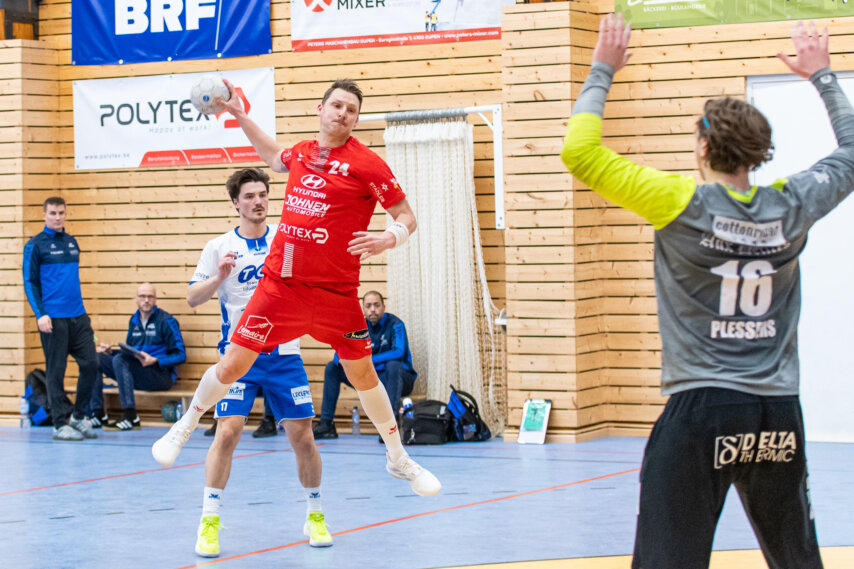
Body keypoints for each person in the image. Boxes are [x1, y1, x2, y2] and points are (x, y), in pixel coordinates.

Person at [561, 16, 854, 569]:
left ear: (702, 146)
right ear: (761, 151)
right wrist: (822, 76)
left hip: (702, 410)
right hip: (777, 412)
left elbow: (579, 152)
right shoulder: (791, 204)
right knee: (797, 560)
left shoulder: (678, 200)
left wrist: (603, 67)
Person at [152, 78, 441, 499]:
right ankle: (185, 426)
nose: (343, 114)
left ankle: (397, 457)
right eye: (337, 106)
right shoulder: (304, 152)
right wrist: (238, 114)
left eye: (352, 110)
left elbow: (406, 214)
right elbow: (271, 156)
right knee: (233, 363)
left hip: (336, 293)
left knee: (363, 376)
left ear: (356, 120)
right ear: (321, 109)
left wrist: (388, 237)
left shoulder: (368, 163)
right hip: (282, 288)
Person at [186, 167, 332, 556]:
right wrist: (218, 278)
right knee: (228, 433)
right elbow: (193, 298)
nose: (258, 201)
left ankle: (315, 513)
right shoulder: (217, 246)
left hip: (284, 355)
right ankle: (209, 521)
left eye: (263, 194)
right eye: (249, 196)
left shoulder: (286, 242)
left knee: (302, 437)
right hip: (238, 356)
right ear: (236, 202)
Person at [23, 196, 98, 441]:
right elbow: (30, 281)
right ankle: (58, 424)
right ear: (44, 215)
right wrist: (40, 314)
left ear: (66, 214)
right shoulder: (35, 245)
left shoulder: (72, 243)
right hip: (53, 320)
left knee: (91, 365)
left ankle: (77, 416)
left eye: (61, 213)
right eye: (53, 213)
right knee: (56, 371)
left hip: (78, 317)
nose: (57, 217)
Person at [313, 290, 417, 439]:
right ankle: (326, 423)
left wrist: (366, 360)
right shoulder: (359, 327)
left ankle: (390, 428)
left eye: (376, 305)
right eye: (368, 306)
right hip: (371, 377)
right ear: (363, 309)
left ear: (383, 306)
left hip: (398, 378)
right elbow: (339, 352)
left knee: (393, 365)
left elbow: (398, 352)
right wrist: (342, 359)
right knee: (332, 368)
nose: (372, 309)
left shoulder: (396, 324)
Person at [89, 283, 186, 431]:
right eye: (142, 296)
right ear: (136, 299)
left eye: (150, 296)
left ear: (155, 299)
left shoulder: (167, 321)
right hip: (137, 374)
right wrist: (110, 352)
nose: (146, 300)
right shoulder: (133, 321)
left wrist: (156, 360)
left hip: (160, 376)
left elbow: (181, 355)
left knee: (120, 360)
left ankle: (131, 417)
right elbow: (129, 356)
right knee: (97, 358)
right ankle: (98, 414)